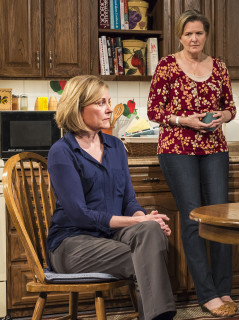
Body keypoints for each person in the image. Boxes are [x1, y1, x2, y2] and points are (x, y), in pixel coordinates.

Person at [46, 75, 176, 320]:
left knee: (151, 233)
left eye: (108, 101)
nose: (108, 109)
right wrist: (137, 222)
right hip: (72, 245)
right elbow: (80, 215)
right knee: (148, 257)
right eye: (100, 103)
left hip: (111, 237)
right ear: (78, 108)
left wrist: (144, 218)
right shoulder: (61, 152)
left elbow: (129, 201)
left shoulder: (116, 146)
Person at [147, 9, 237, 318]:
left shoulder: (219, 67)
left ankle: (224, 288)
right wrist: (183, 119)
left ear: (206, 35)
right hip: (176, 149)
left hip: (214, 147)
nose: (194, 38)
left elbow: (230, 108)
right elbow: (153, 111)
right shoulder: (167, 66)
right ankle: (207, 294)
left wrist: (220, 117)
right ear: (180, 36)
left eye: (199, 33)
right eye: (188, 34)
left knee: (221, 218)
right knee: (192, 218)